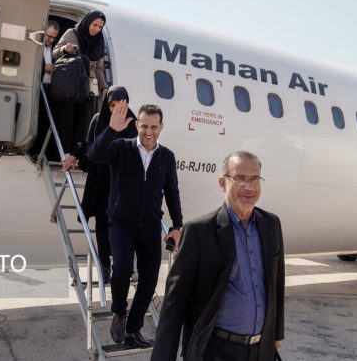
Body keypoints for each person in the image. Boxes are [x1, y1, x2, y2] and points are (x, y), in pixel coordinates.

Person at [151, 151, 285, 361]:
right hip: (217, 350)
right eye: (240, 178)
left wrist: (276, 333)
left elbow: (277, 282)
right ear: (223, 183)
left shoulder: (271, 225)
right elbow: (174, 304)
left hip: (262, 350)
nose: (249, 187)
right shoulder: (198, 232)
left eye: (255, 179)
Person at [88, 102, 183, 348]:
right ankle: (119, 312)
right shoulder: (121, 147)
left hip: (150, 225)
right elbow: (95, 155)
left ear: (161, 127)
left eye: (154, 126)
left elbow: (172, 192)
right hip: (120, 223)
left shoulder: (167, 157)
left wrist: (177, 225)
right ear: (137, 125)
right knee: (121, 268)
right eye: (144, 126)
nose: (148, 131)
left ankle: (134, 328)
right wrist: (111, 129)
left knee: (150, 279)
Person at [62, 86, 138, 283]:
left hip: (122, 180)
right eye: (112, 105)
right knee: (103, 225)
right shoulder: (98, 119)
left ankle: (122, 266)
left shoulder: (133, 123)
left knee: (122, 224)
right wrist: (73, 156)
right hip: (101, 179)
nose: (115, 109)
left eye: (119, 105)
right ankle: (104, 267)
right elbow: (88, 144)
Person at [53, 10, 109, 111]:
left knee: (85, 121)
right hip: (70, 84)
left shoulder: (99, 42)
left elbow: (98, 69)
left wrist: (103, 87)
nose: (96, 29)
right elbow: (54, 54)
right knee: (67, 118)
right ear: (88, 21)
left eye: (100, 27)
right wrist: (65, 49)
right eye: (94, 25)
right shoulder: (71, 34)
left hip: (90, 87)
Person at [29, 20, 60, 160]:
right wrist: (44, 68)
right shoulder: (35, 47)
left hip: (48, 90)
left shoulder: (51, 50)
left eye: (54, 37)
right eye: (49, 36)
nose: (51, 39)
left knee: (45, 122)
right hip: (36, 90)